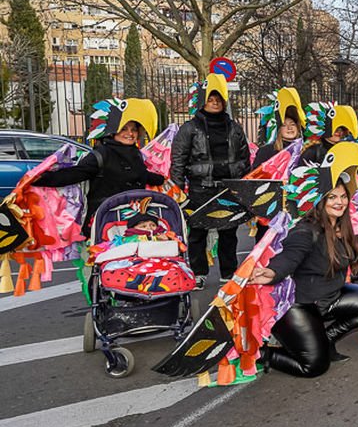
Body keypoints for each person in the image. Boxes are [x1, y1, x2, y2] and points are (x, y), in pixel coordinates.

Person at [250, 142, 358, 377]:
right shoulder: (306, 230)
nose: (339, 202)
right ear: (321, 200)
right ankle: (262, 353)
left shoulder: (342, 227)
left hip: (330, 297)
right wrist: (271, 272)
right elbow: (289, 256)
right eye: (332, 197)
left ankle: (325, 339)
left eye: (342, 196)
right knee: (314, 367)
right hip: (301, 305)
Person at [34, 98, 165, 231]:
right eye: (124, 129)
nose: (130, 134)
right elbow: (76, 173)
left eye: (134, 130)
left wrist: (161, 180)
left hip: (132, 220)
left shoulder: (136, 154)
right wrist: (44, 178)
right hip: (105, 220)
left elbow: (138, 174)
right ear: (113, 131)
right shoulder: (102, 154)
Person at [171, 75, 250, 287]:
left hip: (229, 188)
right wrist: (178, 190)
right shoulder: (189, 128)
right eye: (210, 98)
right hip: (200, 188)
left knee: (229, 233)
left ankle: (228, 272)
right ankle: (198, 273)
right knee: (197, 232)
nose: (214, 102)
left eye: (218, 98)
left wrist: (243, 182)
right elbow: (178, 160)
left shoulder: (235, 127)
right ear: (202, 100)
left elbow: (245, 157)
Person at [251, 88, 305, 170]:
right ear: (279, 129)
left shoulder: (305, 151)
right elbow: (256, 176)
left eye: (292, 124)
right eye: (284, 125)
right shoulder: (266, 151)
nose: (289, 128)